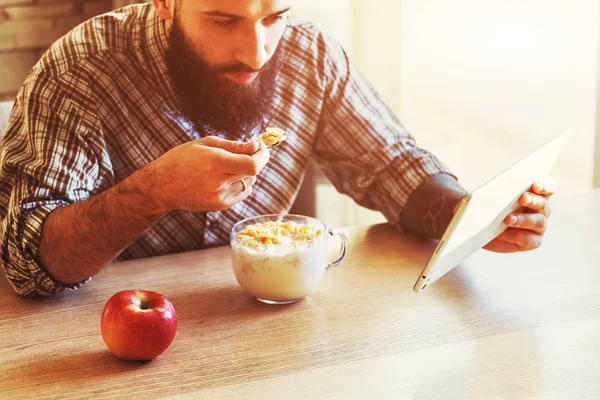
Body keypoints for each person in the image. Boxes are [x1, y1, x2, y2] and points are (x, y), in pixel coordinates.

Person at [0, 0, 554, 297]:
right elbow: (26, 262)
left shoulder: (309, 53)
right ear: (165, 3)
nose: (256, 52)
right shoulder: (81, 69)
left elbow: (389, 165)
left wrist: (471, 219)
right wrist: (154, 191)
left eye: (274, 18)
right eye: (223, 20)